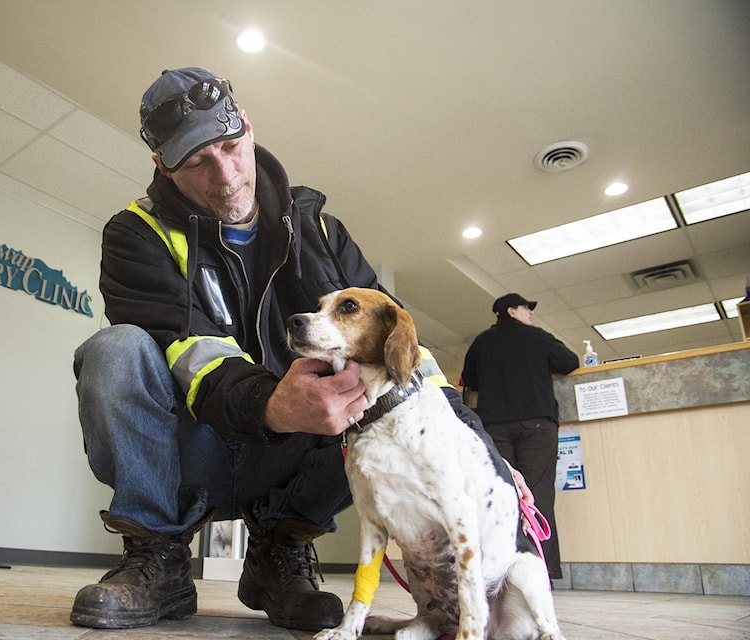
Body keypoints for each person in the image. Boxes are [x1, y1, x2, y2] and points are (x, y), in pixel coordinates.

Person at [71, 67, 512, 632]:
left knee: (378, 393)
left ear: (249, 129)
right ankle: (157, 557)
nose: (226, 175)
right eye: (197, 162)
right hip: (191, 449)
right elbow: (185, 346)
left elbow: (407, 354)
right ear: (162, 165)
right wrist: (270, 402)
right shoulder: (136, 233)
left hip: (297, 456)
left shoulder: (321, 232)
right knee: (113, 351)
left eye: (232, 147)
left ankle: (279, 552)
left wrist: (484, 451)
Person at [460, 292, 580, 581]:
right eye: (527, 308)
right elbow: (570, 361)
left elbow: (471, 379)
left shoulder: (481, 342)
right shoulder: (536, 337)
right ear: (511, 311)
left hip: (494, 429)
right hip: (536, 426)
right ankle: (542, 571)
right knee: (537, 496)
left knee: (503, 499)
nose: (531, 313)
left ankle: (502, 572)